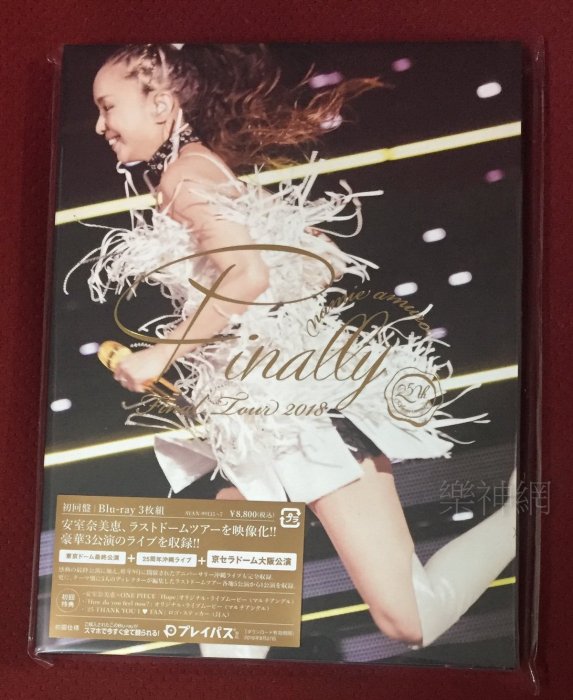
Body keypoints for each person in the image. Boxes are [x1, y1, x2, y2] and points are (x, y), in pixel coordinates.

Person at [66, 43, 517, 659]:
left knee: (408, 621)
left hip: (305, 418)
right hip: (251, 421)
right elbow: (293, 261)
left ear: (163, 105)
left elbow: (247, 275)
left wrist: (160, 354)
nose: (100, 125)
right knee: (233, 628)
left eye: (107, 106)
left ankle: (526, 519)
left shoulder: (184, 177)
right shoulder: (199, 169)